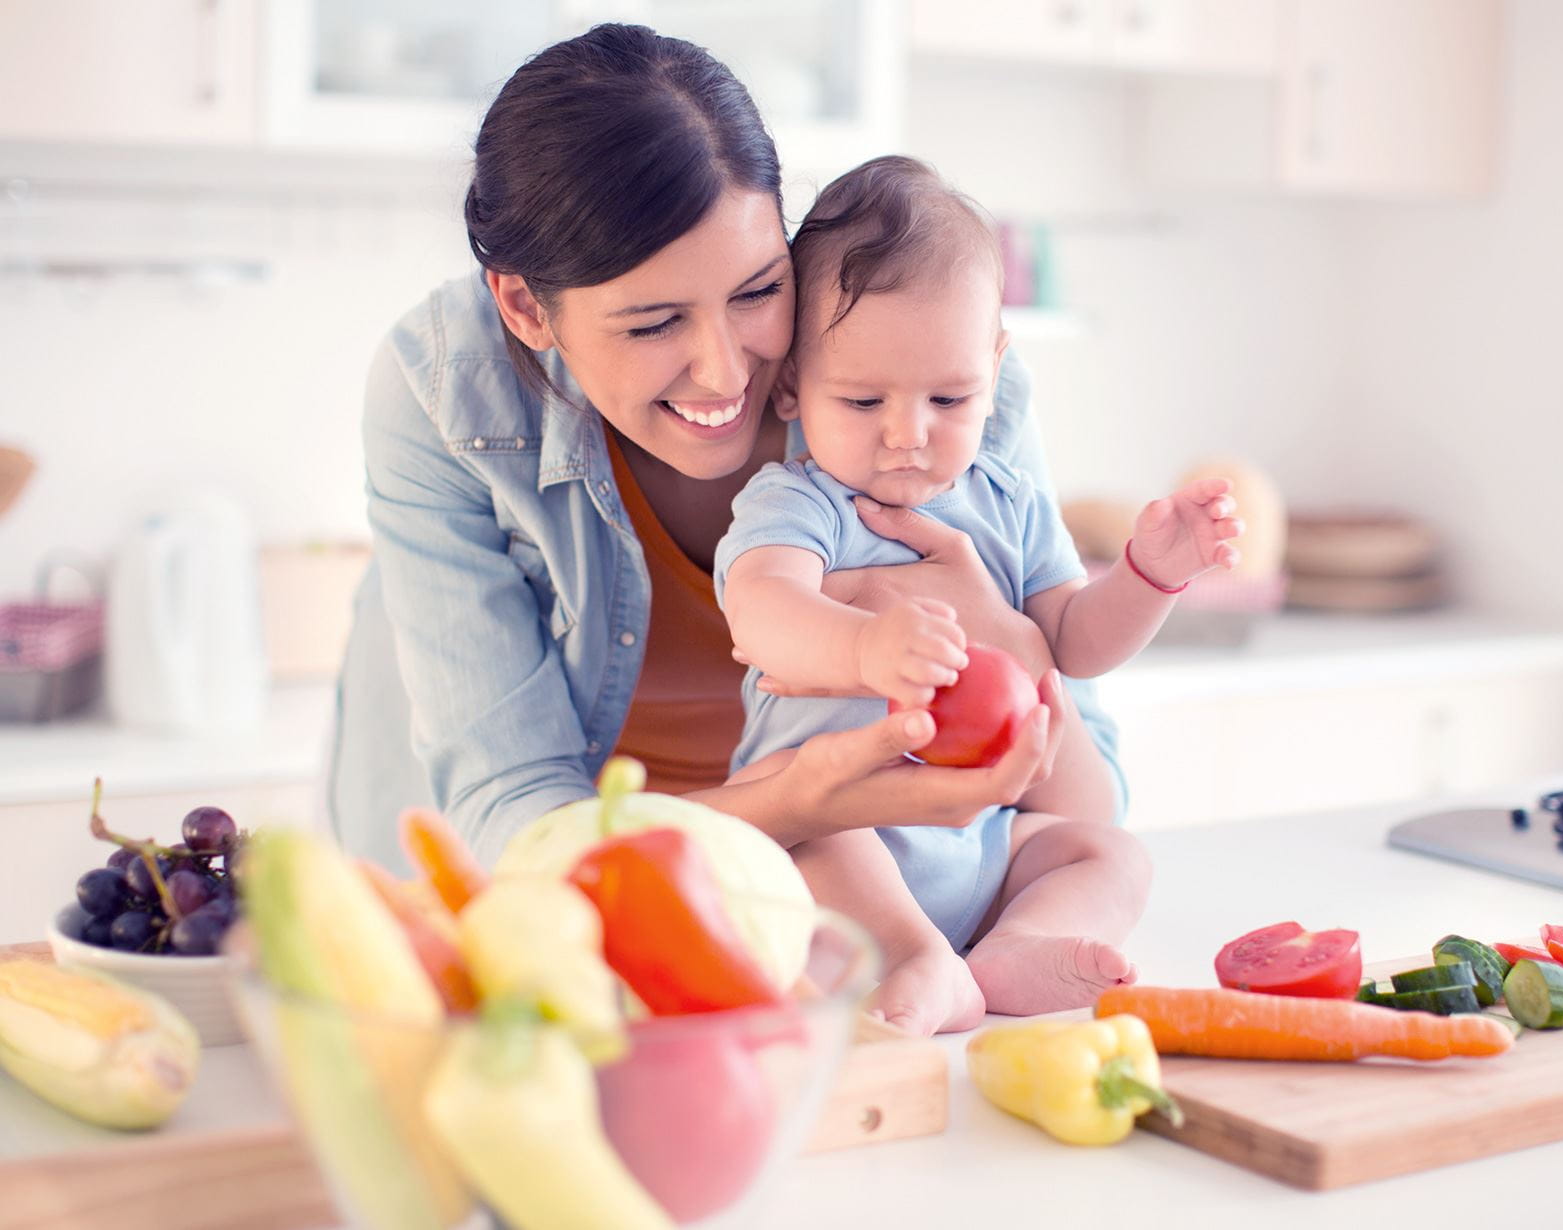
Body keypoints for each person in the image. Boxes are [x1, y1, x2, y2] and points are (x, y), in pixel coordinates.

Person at [326, 24, 1126, 909]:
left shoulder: (923, 379)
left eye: (757, 291)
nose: (727, 369)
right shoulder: (448, 394)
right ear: (524, 306)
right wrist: (790, 804)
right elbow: (516, 823)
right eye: (653, 323)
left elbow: (1092, 800)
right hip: (567, 894)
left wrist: (1008, 637)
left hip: (797, 899)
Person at [715, 157, 1242, 1034]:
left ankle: (1014, 948)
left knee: (1111, 855)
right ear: (793, 387)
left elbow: (1074, 644)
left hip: (986, 840)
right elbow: (761, 606)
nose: (907, 435)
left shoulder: (1008, 501)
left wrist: (1152, 576)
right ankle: (918, 957)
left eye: (949, 396)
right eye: (862, 398)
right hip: (846, 830)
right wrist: (861, 649)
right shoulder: (799, 503)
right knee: (809, 846)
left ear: (994, 368)